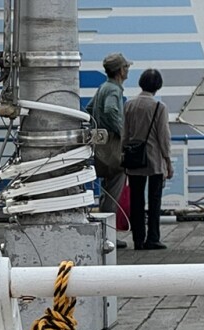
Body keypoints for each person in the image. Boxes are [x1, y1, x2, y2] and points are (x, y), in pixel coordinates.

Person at [123, 68, 174, 250]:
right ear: (158, 86)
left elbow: (125, 134)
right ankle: (153, 237)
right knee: (154, 200)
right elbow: (163, 137)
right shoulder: (159, 107)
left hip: (135, 159)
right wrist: (168, 161)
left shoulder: (129, 105)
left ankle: (138, 239)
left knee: (136, 200)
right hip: (154, 160)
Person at [88, 53, 131, 231]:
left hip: (101, 149)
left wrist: (98, 129)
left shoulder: (102, 87)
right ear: (120, 71)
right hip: (113, 151)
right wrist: (120, 132)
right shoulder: (114, 89)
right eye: (126, 67)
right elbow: (110, 109)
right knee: (113, 192)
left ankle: (104, 231)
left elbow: (90, 108)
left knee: (106, 192)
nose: (127, 70)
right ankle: (109, 233)